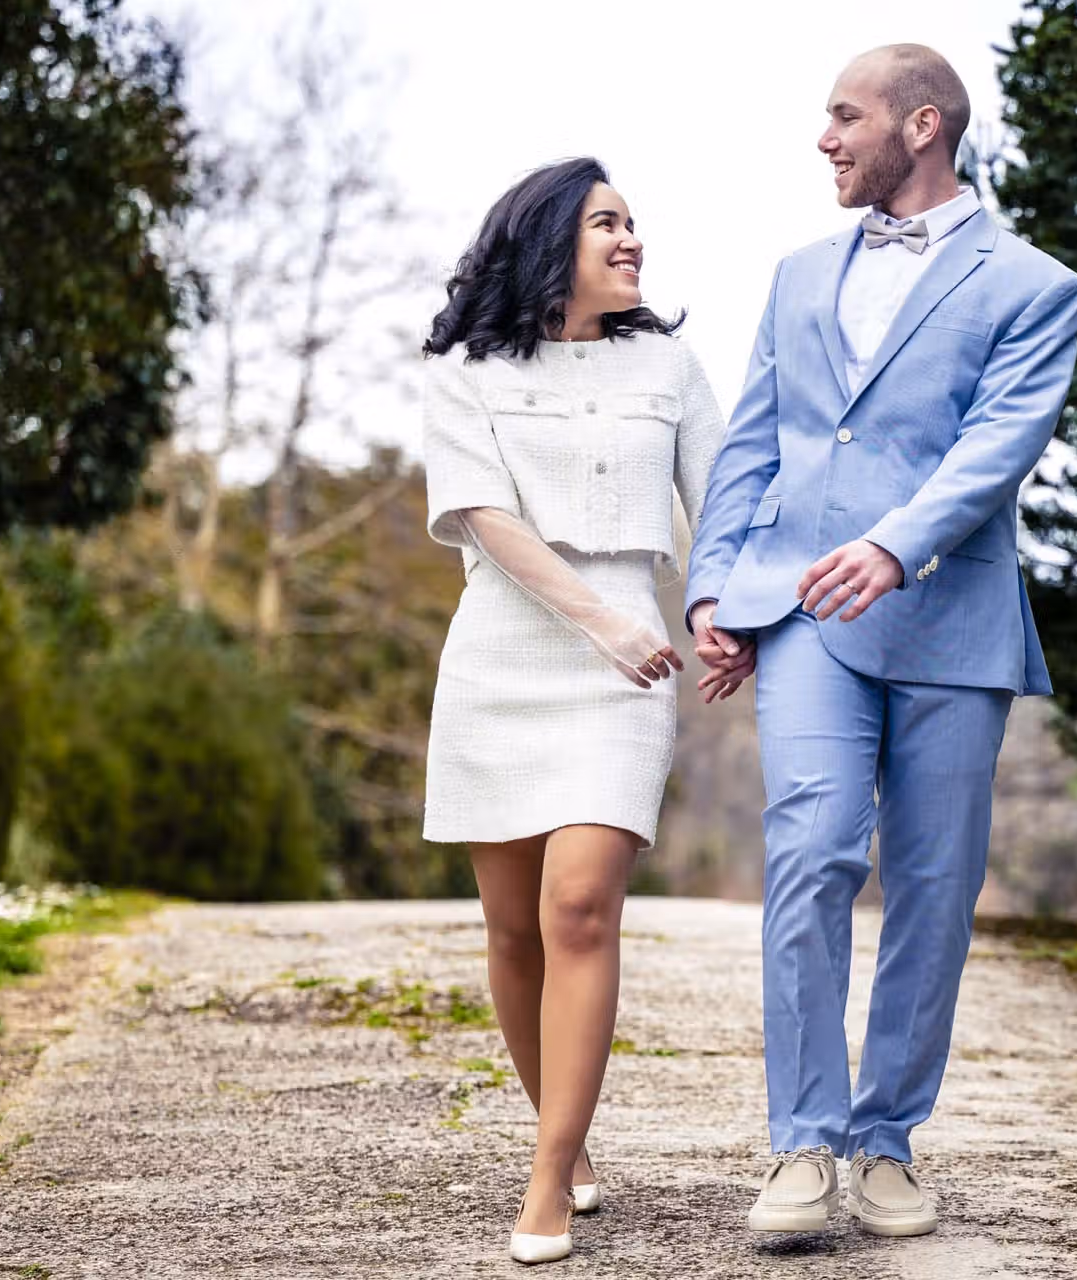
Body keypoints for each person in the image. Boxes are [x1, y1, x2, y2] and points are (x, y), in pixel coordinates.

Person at [685, 45, 1077, 1238]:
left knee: (934, 885)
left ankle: (886, 1137)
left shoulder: (1035, 285)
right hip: (805, 606)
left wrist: (898, 544)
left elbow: (998, 444)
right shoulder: (798, 275)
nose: (825, 137)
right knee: (811, 850)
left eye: (843, 115)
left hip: (952, 621)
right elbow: (753, 442)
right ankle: (801, 1144)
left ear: (922, 125)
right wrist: (717, 588)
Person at [419, 157, 732, 1265]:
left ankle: (549, 1174)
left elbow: (728, 500)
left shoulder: (669, 362)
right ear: (549, 238)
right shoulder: (466, 369)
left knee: (580, 908)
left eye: (636, 221)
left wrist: (717, 609)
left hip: (627, 674)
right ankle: (570, 1129)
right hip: (505, 657)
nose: (632, 238)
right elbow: (480, 515)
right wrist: (598, 616)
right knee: (512, 930)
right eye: (608, 221)